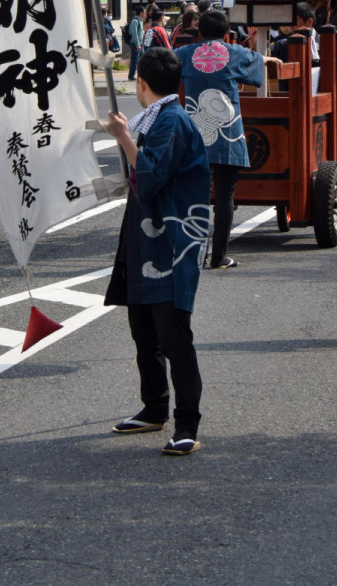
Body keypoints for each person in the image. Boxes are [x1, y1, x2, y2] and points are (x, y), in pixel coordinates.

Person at [103, 47, 210, 456]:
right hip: (146, 238)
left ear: (141, 84)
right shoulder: (158, 116)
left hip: (171, 244)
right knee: (143, 331)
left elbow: (148, 176)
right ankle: (154, 407)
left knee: (174, 335)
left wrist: (124, 137)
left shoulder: (171, 120)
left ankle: (186, 423)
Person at [174, 8, 272, 270]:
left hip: (194, 138)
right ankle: (219, 257)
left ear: (200, 32)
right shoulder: (236, 53)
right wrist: (262, 55)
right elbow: (257, 70)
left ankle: (192, 255)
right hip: (228, 137)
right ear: (227, 33)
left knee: (196, 196)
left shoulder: (185, 53)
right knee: (225, 198)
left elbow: (163, 66)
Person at [127, 5, 145, 80]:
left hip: (140, 44)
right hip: (136, 44)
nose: (145, 13)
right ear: (141, 12)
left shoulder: (140, 21)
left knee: (142, 60)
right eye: (144, 12)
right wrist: (137, 45)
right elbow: (134, 34)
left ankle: (140, 76)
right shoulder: (135, 21)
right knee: (135, 60)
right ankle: (131, 76)